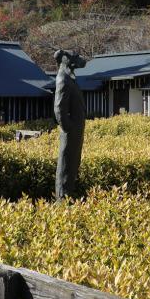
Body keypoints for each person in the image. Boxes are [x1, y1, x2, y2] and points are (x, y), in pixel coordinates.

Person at [53, 49, 86, 199]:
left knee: (73, 165)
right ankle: (63, 200)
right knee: (66, 166)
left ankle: (69, 197)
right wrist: (69, 127)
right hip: (70, 132)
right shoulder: (63, 79)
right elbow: (59, 108)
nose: (77, 60)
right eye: (73, 58)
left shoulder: (69, 78)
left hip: (75, 131)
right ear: (64, 59)